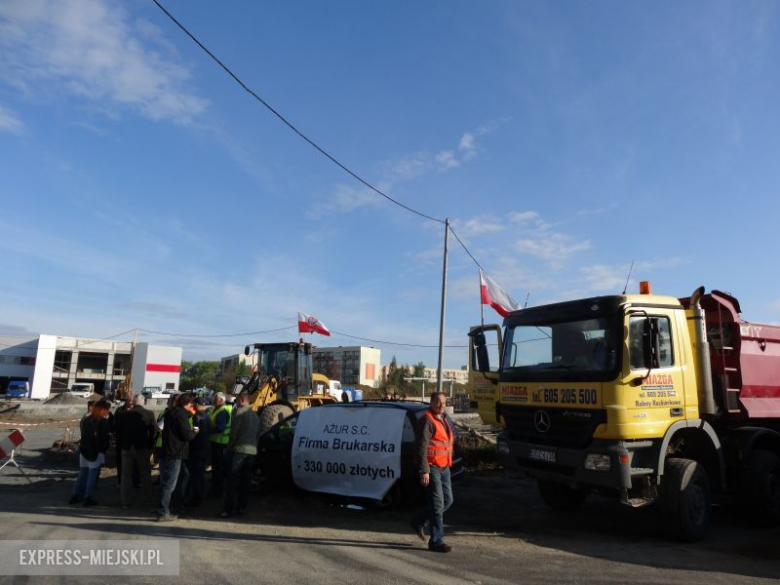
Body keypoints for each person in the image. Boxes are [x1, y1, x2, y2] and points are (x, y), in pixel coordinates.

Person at [410, 391, 455, 553]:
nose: (441, 405)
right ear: (432, 403)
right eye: (438, 402)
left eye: (444, 402)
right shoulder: (427, 420)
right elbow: (421, 447)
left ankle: (419, 521)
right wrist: (424, 471)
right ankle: (436, 541)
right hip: (432, 467)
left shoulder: (444, 418)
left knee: (448, 500)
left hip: (444, 467)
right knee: (437, 505)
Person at [156, 393, 198, 522]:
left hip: (167, 450)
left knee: (166, 481)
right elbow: (187, 435)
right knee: (170, 484)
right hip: (175, 452)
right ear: (188, 403)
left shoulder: (170, 413)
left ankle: (163, 508)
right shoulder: (181, 415)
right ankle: (163, 511)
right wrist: (194, 432)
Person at [220, 392, 260, 518]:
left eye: (237, 401)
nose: (235, 403)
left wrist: (229, 447)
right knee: (245, 481)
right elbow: (258, 435)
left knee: (232, 480)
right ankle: (241, 508)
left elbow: (234, 433)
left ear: (242, 400)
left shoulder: (240, 412)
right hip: (252, 451)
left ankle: (228, 509)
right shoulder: (255, 416)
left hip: (240, 450)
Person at [115, 392, 156, 508]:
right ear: (143, 402)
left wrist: (122, 445)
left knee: (125, 475)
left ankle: (125, 501)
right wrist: (150, 447)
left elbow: (118, 432)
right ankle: (147, 499)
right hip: (142, 448)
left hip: (126, 448)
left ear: (134, 402)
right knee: (145, 474)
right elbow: (153, 433)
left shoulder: (124, 414)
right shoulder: (149, 414)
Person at [70, 399, 111, 507]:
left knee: (82, 474)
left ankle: (75, 495)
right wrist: (105, 447)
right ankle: (87, 497)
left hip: (84, 450)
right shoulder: (103, 421)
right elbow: (104, 437)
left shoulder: (86, 419)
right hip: (95, 451)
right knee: (92, 475)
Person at [186, 398, 211, 507]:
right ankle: (201, 494)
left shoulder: (196, 417)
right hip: (205, 447)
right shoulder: (207, 416)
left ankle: (196, 498)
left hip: (196, 448)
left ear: (196, 404)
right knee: (200, 473)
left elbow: (195, 432)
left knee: (195, 474)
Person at [208, 392, 231, 497]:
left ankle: (217, 491)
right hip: (216, 442)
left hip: (220, 443)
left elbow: (220, 427)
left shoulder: (222, 411)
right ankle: (217, 488)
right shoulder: (216, 409)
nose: (213, 400)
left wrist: (207, 429)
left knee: (218, 468)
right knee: (218, 467)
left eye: (215, 399)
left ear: (221, 400)